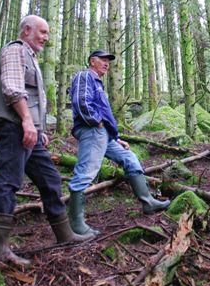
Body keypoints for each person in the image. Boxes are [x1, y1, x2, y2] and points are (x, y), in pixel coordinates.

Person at [0, 15, 91, 267]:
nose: (46, 37)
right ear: (26, 30)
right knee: (8, 181)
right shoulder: (15, 50)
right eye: (42, 32)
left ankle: (64, 235)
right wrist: (25, 121)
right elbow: (12, 88)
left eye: (47, 33)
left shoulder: (30, 57)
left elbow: (32, 98)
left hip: (27, 129)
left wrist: (38, 127)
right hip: (14, 128)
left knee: (50, 178)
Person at [66, 49, 171, 236]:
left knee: (130, 158)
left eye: (109, 61)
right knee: (86, 172)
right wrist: (96, 122)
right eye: (103, 60)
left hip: (103, 134)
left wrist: (115, 138)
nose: (107, 63)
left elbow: (104, 115)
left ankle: (148, 201)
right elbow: (81, 102)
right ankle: (75, 223)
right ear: (92, 61)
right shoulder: (85, 76)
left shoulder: (98, 84)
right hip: (92, 131)